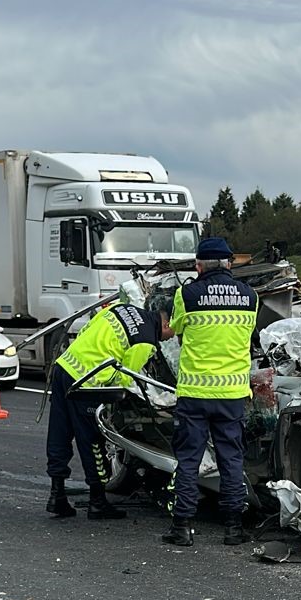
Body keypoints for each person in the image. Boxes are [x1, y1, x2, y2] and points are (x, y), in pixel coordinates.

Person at [160, 235, 260, 548]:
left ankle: (183, 527)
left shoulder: (186, 294)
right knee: (231, 458)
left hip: (194, 393)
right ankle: (233, 528)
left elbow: (175, 330)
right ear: (229, 263)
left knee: (189, 459)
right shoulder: (250, 296)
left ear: (198, 265)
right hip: (232, 395)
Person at [45, 299, 160, 520]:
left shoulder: (121, 308)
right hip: (86, 384)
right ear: (165, 323)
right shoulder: (145, 341)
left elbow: (87, 330)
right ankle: (97, 502)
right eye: (171, 332)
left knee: (59, 433)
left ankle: (56, 496)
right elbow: (126, 378)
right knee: (92, 442)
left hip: (65, 366)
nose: (171, 337)